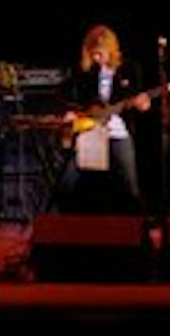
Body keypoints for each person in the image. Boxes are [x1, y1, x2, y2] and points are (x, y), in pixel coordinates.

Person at [57, 24, 152, 213]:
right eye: (93, 55)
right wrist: (72, 112)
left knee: (130, 188)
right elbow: (70, 98)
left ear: (110, 50)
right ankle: (68, 229)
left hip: (117, 132)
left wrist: (143, 105)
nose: (97, 59)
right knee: (66, 182)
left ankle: (139, 230)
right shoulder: (86, 74)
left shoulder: (129, 69)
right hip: (89, 132)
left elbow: (139, 100)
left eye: (100, 54)